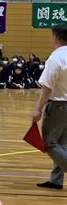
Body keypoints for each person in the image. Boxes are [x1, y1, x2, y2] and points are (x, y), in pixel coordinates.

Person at [32, 24, 67, 190]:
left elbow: (47, 87)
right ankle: (56, 180)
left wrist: (38, 109)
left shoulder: (56, 58)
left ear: (55, 37)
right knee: (63, 144)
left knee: (50, 143)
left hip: (59, 105)